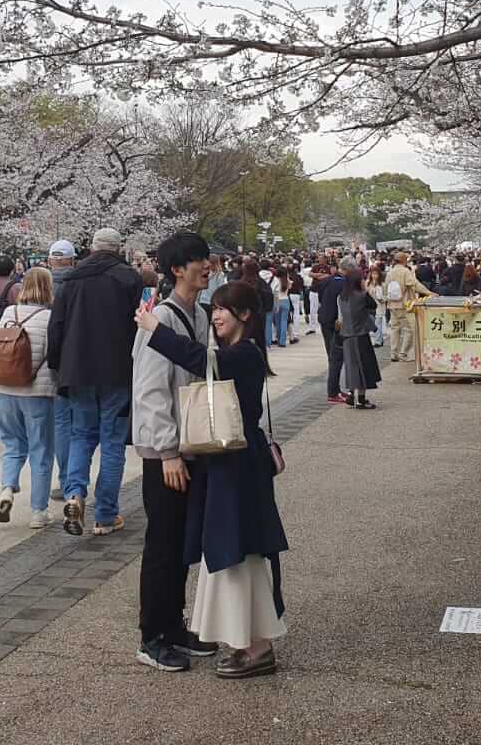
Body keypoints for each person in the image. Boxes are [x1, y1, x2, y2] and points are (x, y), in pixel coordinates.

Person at [134, 279, 288, 680]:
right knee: (234, 550)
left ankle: (252, 646)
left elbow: (197, 357)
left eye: (223, 308)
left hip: (237, 465)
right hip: (231, 463)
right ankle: (249, 643)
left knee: (236, 550)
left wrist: (155, 329)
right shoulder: (240, 353)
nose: (215, 315)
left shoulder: (244, 355)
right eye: (214, 308)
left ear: (245, 315)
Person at [132, 232, 217, 672]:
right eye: (198, 260)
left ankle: (174, 624)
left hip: (194, 445)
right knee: (163, 544)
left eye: (207, 257)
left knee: (183, 542)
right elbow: (149, 392)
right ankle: (153, 636)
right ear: (178, 269)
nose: (208, 265)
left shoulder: (199, 314)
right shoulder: (159, 317)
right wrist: (166, 452)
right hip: (166, 452)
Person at [47, 227, 140, 535]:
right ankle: (106, 514)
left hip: (77, 369)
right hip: (116, 369)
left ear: (92, 248)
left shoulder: (71, 280)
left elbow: (56, 326)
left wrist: (57, 365)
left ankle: (74, 493)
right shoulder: (129, 278)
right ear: (117, 249)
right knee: (112, 442)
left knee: (81, 436)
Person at [0, 267, 57, 527]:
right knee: (41, 449)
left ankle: (7, 489)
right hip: (37, 393)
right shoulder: (50, 318)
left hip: (4, 389)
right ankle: (39, 511)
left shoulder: (9, 313)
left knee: (12, 445)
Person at [45, 241, 78, 500]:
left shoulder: (41, 286)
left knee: (60, 423)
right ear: (72, 260)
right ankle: (74, 483)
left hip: (51, 362)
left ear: (50, 260)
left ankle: (65, 478)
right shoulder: (79, 284)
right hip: (77, 359)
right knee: (80, 425)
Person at [334, 266, 382, 409]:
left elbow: (340, 316)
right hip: (361, 335)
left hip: (346, 335)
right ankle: (361, 399)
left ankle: (350, 393)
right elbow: (373, 305)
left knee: (351, 366)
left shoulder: (341, 297)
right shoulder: (362, 295)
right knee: (364, 367)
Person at [384, 251, 431, 362]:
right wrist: (429, 292)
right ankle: (403, 353)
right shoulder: (405, 272)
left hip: (392, 304)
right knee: (409, 329)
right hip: (404, 304)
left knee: (395, 329)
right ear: (404, 260)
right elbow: (414, 284)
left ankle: (393, 353)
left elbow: (386, 288)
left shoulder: (390, 272)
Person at [314, 261, 348, 405]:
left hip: (324, 318)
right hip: (336, 322)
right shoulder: (344, 284)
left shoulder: (326, 281)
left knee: (332, 356)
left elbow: (321, 297)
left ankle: (336, 389)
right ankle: (333, 392)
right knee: (336, 358)